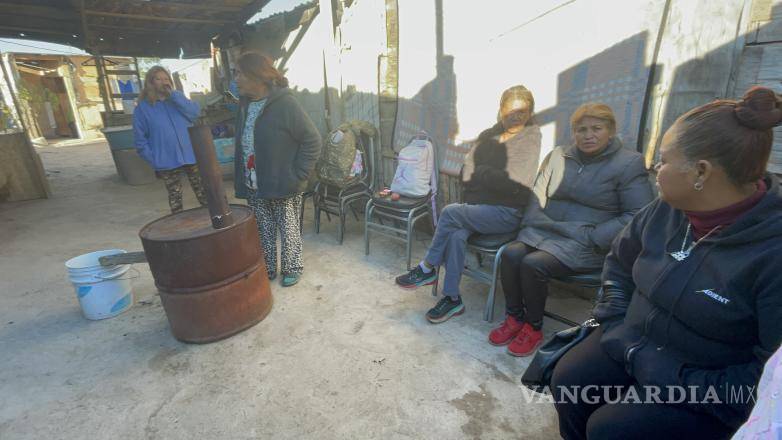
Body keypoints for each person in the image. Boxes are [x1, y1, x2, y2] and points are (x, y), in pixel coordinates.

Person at [551, 86, 782, 440]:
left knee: (612, 429)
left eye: (663, 159)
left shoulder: (772, 252)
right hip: (633, 338)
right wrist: (615, 326)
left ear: (701, 172)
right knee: (568, 380)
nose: (655, 169)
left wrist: (675, 377)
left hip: (705, 383)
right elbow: (618, 264)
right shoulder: (665, 208)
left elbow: (765, 378)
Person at [489, 103, 653, 357]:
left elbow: (638, 214)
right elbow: (537, 194)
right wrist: (532, 223)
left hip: (586, 242)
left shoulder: (628, 163)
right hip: (545, 232)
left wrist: (594, 237)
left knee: (533, 264)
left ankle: (533, 327)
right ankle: (514, 317)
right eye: (581, 129)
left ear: (611, 130)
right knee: (510, 254)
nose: (588, 135)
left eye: (596, 128)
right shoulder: (558, 155)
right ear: (573, 132)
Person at [395, 85, 541, 323]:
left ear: (530, 114)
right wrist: (490, 176)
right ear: (501, 110)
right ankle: (452, 298)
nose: (515, 117)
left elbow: (516, 182)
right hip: (478, 209)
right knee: (455, 234)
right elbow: (465, 173)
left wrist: (482, 173)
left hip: (507, 213)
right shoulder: (487, 136)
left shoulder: (531, 139)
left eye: (521, 112)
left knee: (450, 212)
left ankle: (428, 267)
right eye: (510, 111)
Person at [233, 52, 321, 287]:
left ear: (256, 75)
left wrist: (299, 174)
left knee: (288, 227)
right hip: (254, 180)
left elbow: (312, 140)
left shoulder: (285, 104)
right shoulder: (244, 104)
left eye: (239, 73)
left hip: (284, 181)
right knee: (262, 227)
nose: (236, 79)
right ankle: (269, 267)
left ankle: (292, 267)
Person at [133, 65, 207, 214]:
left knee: (204, 193)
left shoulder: (177, 100)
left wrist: (174, 96)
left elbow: (195, 113)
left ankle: (212, 220)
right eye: (158, 79)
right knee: (175, 198)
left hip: (190, 155)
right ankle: (178, 223)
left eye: (166, 79)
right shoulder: (143, 108)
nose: (164, 82)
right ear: (151, 83)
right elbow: (140, 140)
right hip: (166, 160)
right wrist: (154, 159)